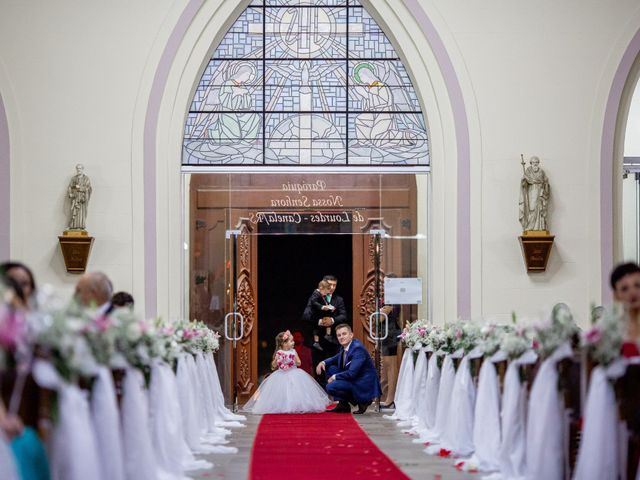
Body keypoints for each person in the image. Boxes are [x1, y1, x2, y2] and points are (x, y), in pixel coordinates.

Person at [243, 330, 329, 414]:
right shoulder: (279, 353)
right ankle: (281, 405)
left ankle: (297, 405)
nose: (293, 342)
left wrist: (292, 360)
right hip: (281, 374)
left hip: (294, 372)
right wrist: (277, 360)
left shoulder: (293, 351)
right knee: (282, 391)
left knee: (296, 390)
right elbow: (273, 366)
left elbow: (299, 362)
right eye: (291, 341)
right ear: (284, 343)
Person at [316, 323, 382, 415]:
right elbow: (335, 358)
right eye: (339, 335)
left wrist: (334, 377)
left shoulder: (357, 349)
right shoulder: (345, 347)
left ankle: (362, 401)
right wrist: (323, 362)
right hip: (355, 379)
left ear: (351, 335)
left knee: (330, 386)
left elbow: (352, 374)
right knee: (331, 368)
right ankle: (343, 405)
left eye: (344, 334)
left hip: (362, 383)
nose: (341, 337)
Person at [303, 275, 348, 371]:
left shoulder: (339, 299)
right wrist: (320, 322)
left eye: (334, 285)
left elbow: (344, 316)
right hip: (318, 344)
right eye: (329, 285)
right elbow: (306, 315)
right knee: (319, 371)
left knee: (336, 369)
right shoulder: (314, 297)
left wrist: (332, 320)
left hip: (334, 342)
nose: (332, 288)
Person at [610, 262, 640, 357]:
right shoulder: (612, 329)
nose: (632, 292)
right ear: (616, 296)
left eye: (637, 285)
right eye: (625, 288)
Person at [379, 298, 401, 409]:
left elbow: (379, 318)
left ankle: (391, 399)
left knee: (390, 367)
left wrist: (382, 313)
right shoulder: (384, 300)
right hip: (384, 335)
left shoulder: (394, 302)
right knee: (385, 367)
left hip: (391, 335)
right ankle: (386, 396)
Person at [519, 155, 550, 232]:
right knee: (532, 208)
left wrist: (545, 186)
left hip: (540, 192)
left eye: (536, 162)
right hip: (532, 192)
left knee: (540, 209)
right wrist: (524, 181)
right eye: (533, 162)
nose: (535, 164)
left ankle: (539, 227)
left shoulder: (541, 172)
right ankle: (530, 227)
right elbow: (524, 184)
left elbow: (546, 181)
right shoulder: (528, 171)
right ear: (531, 163)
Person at [67, 164, 92, 231]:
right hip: (75, 199)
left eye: (80, 168)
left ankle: (80, 226)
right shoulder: (73, 179)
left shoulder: (86, 179)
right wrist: (70, 193)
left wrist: (80, 188)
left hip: (82, 200)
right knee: (73, 212)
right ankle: (72, 226)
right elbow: (70, 187)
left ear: (82, 169)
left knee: (81, 213)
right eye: (77, 168)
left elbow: (88, 188)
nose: (78, 170)